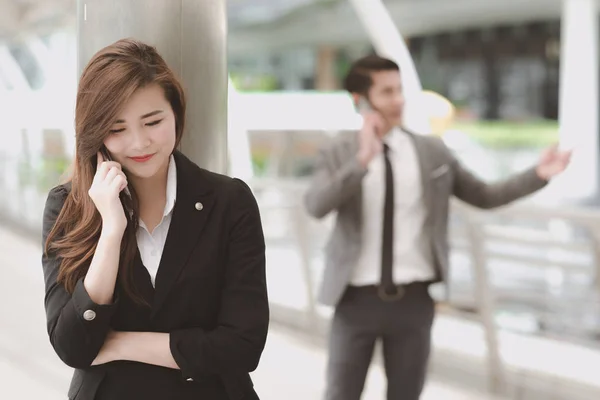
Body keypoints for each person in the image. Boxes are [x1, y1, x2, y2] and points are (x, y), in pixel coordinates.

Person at [304, 55, 571, 400]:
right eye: (386, 92)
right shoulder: (338, 151)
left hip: (414, 303)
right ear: (360, 99)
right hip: (355, 301)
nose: (398, 100)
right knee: (340, 394)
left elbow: (485, 195)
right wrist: (361, 161)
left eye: (399, 90)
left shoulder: (431, 151)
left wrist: (538, 175)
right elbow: (315, 205)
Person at [41, 38, 269, 400]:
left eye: (153, 121)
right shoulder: (68, 208)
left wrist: (120, 345)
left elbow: (243, 345)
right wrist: (112, 232)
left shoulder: (229, 201)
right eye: (117, 129)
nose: (139, 143)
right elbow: (72, 346)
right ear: (95, 133)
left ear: (175, 112)